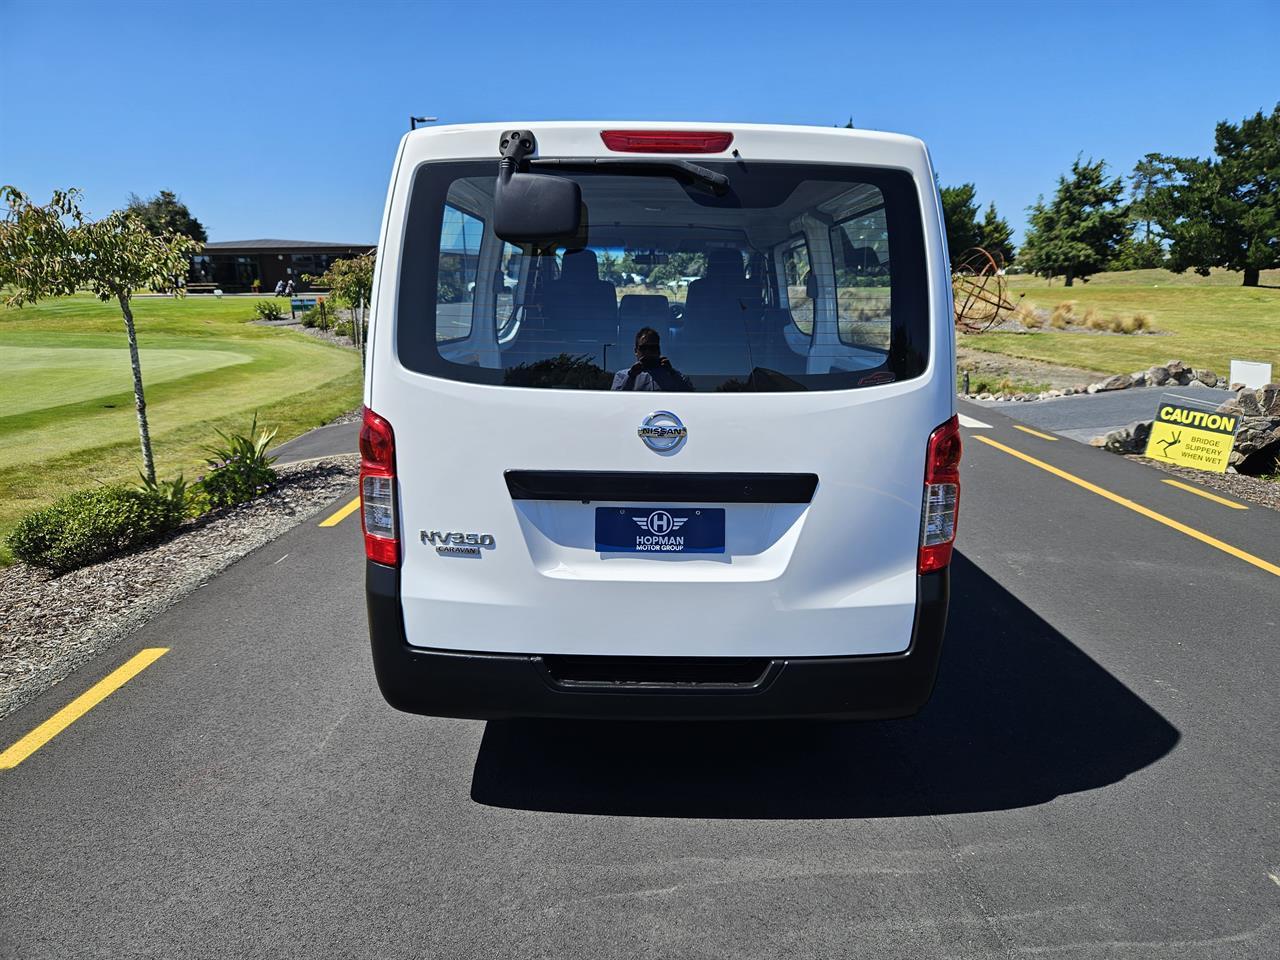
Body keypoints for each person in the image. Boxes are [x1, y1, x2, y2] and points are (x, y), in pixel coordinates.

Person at [612, 327, 694, 391]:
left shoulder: (672, 375)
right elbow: (614, 400)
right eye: (643, 348)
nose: (648, 352)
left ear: (659, 351)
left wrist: (672, 373)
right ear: (636, 351)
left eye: (653, 348)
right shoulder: (622, 376)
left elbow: (690, 394)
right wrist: (631, 376)